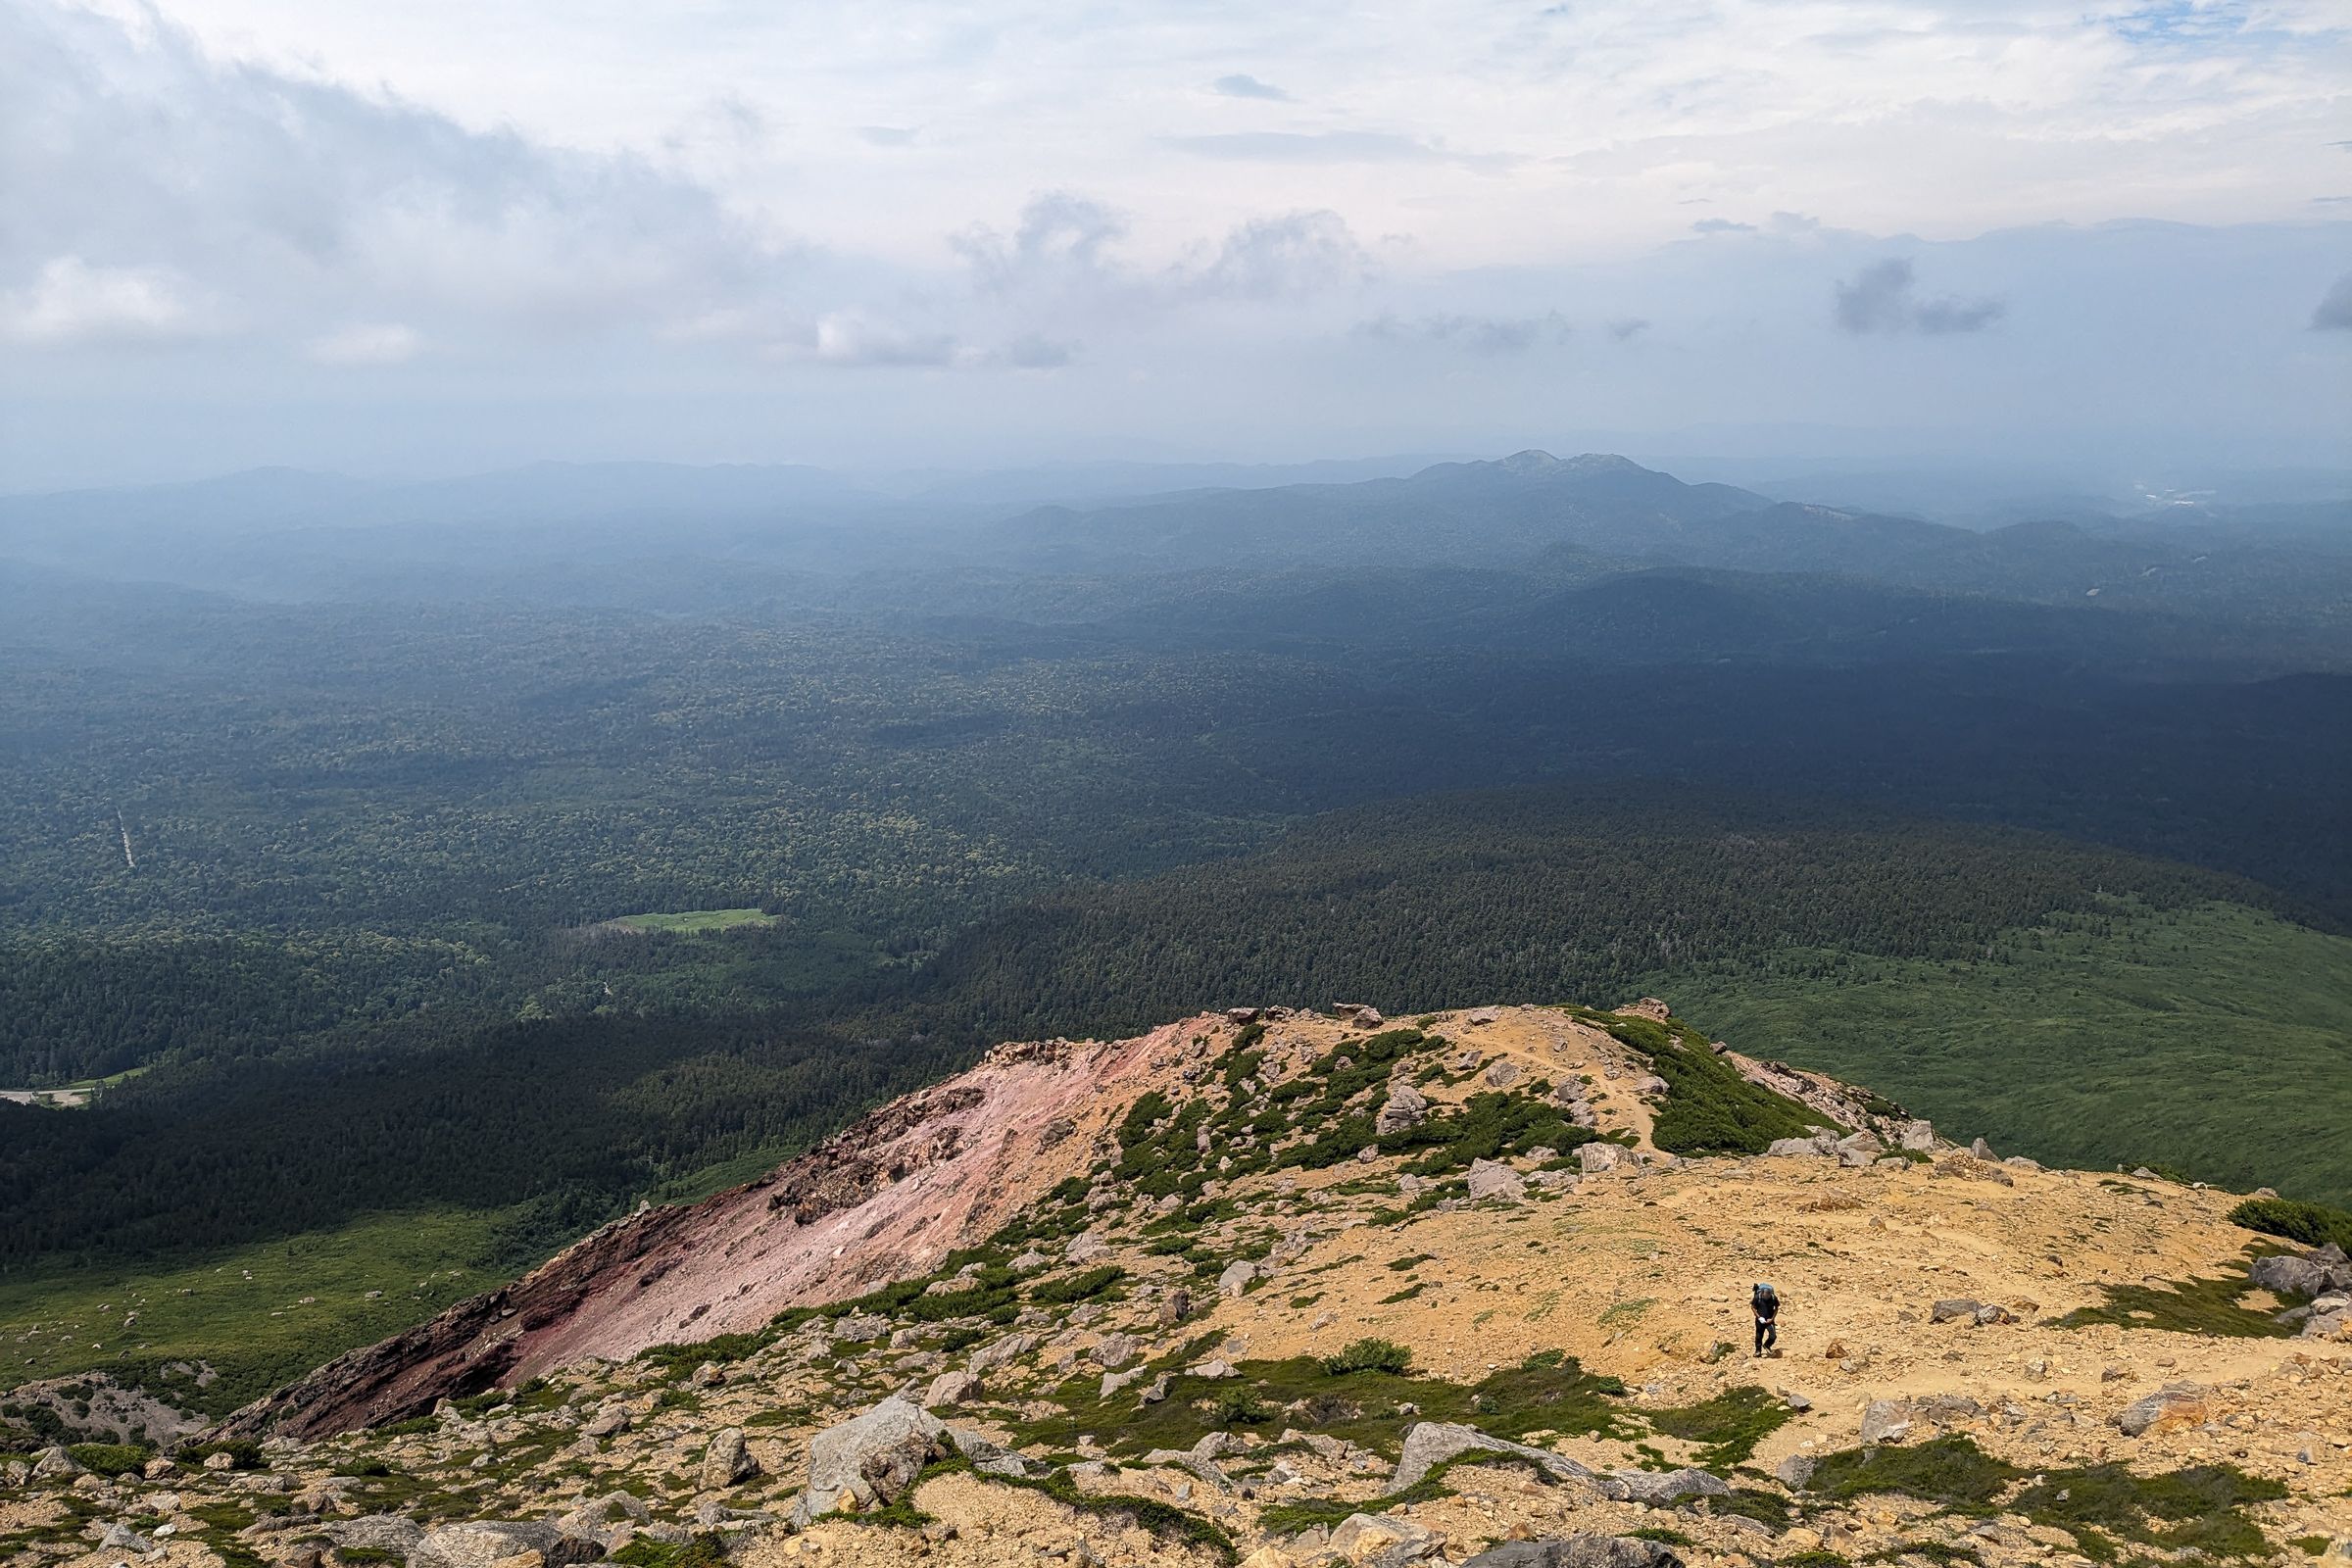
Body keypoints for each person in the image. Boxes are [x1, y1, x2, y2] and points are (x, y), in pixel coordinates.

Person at [1751, 1282, 1780, 1356]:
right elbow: (1753, 1307)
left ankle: (1767, 1345)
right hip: (1760, 1320)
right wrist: (1759, 1317)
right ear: (1762, 1293)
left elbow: (1776, 1309)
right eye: (1765, 1295)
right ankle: (1758, 1351)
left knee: (1773, 1336)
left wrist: (1772, 1319)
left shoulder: (1773, 1298)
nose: (1767, 1297)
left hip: (1769, 1320)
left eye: (1768, 1295)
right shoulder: (1758, 1297)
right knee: (1759, 1336)